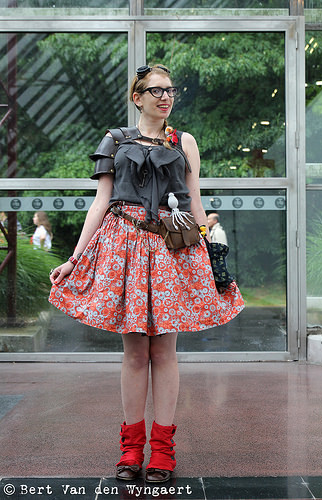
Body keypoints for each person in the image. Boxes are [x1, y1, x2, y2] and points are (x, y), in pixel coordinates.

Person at [49, 64, 244, 483]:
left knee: (165, 352)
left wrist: (211, 255)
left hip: (172, 248)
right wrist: (74, 257)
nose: (165, 97)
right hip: (125, 247)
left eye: (170, 90)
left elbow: (194, 202)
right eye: (155, 91)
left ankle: (163, 450)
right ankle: (130, 448)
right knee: (135, 352)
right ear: (136, 97)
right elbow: (100, 203)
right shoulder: (115, 140)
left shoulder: (184, 141)